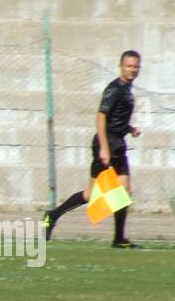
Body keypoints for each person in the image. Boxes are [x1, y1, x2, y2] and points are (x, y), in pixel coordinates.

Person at [43, 50, 142, 248]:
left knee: (124, 191)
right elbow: (101, 117)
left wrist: (130, 129)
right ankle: (52, 216)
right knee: (91, 194)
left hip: (119, 146)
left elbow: (116, 118)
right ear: (121, 66)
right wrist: (104, 149)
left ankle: (119, 239)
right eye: (129, 66)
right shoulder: (114, 89)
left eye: (135, 66)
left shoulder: (127, 90)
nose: (132, 69)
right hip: (106, 145)